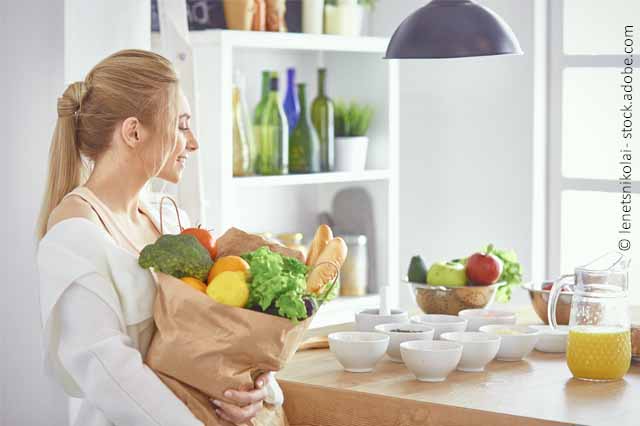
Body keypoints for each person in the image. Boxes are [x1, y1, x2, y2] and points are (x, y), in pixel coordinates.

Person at [36, 49, 282, 426]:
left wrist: (257, 390)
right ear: (134, 132)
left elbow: (225, 328)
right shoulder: (73, 238)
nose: (193, 142)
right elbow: (110, 375)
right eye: (181, 124)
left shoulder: (173, 221)